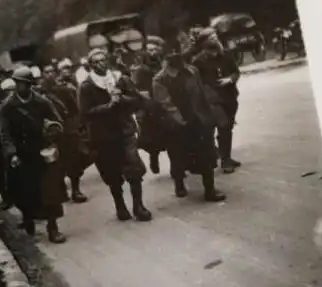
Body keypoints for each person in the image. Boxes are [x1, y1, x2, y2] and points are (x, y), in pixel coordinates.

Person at [78, 49, 152, 223]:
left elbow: (136, 100)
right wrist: (108, 106)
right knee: (112, 173)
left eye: (103, 60)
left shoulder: (120, 78)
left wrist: (122, 99)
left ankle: (138, 206)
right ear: (90, 65)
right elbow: (85, 113)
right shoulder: (87, 86)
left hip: (125, 130)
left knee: (134, 168)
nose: (101, 64)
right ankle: (120, 206)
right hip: (103, 136)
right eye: (96, 62)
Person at [153, 35, 227, 202]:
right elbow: (166, 103)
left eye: (178, 54)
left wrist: (211, 115)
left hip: (198, 120)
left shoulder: (192, 71)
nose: (176, 58)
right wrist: (181, 121)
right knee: (178, 157)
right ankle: (179, 183)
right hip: (176, 126)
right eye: (171, 55)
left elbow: (202, 95)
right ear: (165, 58)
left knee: (207, 155)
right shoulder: (160, 79)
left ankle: (210, 190)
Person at [0, 66, 67, 243]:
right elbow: (4, 133)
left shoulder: (42, 102)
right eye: (18, 82)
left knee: (51, 190)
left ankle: (53, 228)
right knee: (25, 192)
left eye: (24, 83)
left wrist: (52, 131)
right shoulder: (8, 106)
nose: (21, 86)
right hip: (22, 154)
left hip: (43, 150)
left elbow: (57, 120)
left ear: (30, 84)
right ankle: (28, 217)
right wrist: (11, 153)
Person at [191, 29, 242, 174]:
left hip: (230, 96)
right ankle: (223, 160)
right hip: (213, 100)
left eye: (216, 37)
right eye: (211, 38)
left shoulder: (226, 54)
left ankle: (226, 156)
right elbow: (197, 82)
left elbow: (236, 71)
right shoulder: (198, 61)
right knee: (222, 125)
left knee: (228, 127)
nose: (215, 40)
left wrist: (230, 79)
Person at [47, 59, 89, 203]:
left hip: (68, 129)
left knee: (73, 160)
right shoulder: (42, 94)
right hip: (54, 132)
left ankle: (75, 190)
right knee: (58, 162)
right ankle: (65, 190)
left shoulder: (66, 88)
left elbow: (75, 108)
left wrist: (78, 125)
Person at [131, 38, 169, 175]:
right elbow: (141, 91)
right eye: (150, 50)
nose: (153, 52)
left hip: (164, 104)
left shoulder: (163, 64)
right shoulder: (142, 70)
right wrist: (152, 104)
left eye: (155, 49)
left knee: (170, 137)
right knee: (153, 139)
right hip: (150, 108)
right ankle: (154, 158)